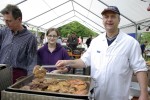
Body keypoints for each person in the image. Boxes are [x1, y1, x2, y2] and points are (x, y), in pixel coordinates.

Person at [55, 6, 149, 100]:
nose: (109, 19)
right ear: (102, 20)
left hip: (118, 96)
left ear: (119, 20)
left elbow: (140, 69)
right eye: (106, 17)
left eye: (113, 16)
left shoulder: (130, 43)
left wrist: (144, 93)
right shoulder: (96, 41)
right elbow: (84, 61)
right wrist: (67, 62)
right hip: (97, 95)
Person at [0, 4, 37, 83]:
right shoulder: (4, 32)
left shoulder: (30, 38)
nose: (6, 24)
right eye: (4, 20)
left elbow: (32, 61)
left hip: (18, 76)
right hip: (1, 72)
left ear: (19, 19)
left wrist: (29, 81)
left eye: (9, 21)